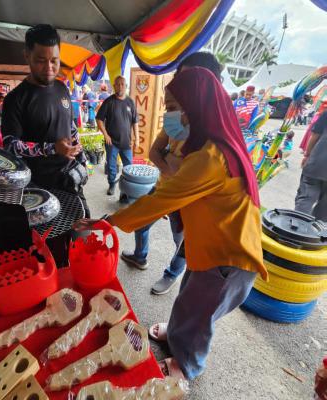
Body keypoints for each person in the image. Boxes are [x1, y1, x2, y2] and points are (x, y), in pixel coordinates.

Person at [74, 66, 266, 380]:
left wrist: (104, 223)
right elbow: (167, 183)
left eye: (174, 109)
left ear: (197, 108)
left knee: (200, 314)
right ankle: (176, 335)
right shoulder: (206, 146)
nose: (169, 117)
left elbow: (160, 201)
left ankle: (186, 365)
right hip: (210, 247)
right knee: (189, 297)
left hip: (229, 258)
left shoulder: (210, 158)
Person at [121, 52, 223, 295]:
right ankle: (140, 256)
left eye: (185, 77)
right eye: (178, 75)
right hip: (167, 186)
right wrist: (173, 165)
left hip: (192, 201)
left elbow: (193, 171)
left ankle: (172, 274)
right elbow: (154, 151)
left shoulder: (215, 133)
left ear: (206, 83)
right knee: (141, 222)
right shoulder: (177, 117)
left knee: (184, 243)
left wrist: (173, 161)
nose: (179, 84)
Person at [1, 24, 89, 216]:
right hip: (39, 188)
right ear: (27, 56)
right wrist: (52, 148)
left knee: (83, 231)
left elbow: (70, 125)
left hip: (70, 178)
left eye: (54, 61)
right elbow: (10, 146)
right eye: (41, 61)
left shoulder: (62, 88)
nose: (49, 68)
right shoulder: (15, 99)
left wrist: (82, 158)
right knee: (49, 242)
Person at [96, 76, 139, 195]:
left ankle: (126, 189)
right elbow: (99, 119)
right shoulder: (109, 101)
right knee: (111, 166)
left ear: (126, 86)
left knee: (129, 167)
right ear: (114, 86)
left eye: (122, 84)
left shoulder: (130, 102)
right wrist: (106, 135)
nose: (120, 87)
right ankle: (111, 185)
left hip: (126, 142)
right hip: (112, 142)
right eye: (117, 84)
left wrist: (137, 139)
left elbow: (135, 121)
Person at [295, 109, 327, 222]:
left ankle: (295, 231)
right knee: (324, 210)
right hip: (317, 166)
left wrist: (307, 154)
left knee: (306, 199)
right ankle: (315, 236)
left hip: (317, 165)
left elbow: (314, 135)